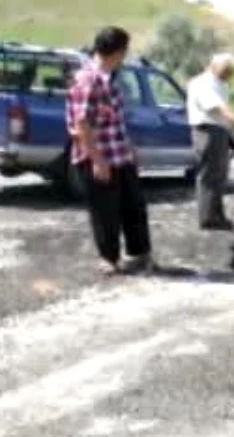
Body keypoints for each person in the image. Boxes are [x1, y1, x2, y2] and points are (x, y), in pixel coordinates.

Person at [66, 26, 154, 277]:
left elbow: (115, 120)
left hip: (119, 153)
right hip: (101, 156)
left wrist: (130, 149)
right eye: (124, 51)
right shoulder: (89, 79)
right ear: (118, 52)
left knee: (134, 205)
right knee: (105, 211)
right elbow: (82, 123)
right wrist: (97, 160)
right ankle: (109, 258)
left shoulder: (109, 78)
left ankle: (139, 254)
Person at [186, 52, 234, 231]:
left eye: (230, 72)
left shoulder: (218, 82)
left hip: (218, 130)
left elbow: (224, 110)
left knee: (219, 175)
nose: (228, 75)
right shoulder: (203, 84)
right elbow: (221, 109)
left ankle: (217, 215)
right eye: (226, 71)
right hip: (207, 131)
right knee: (209, 176)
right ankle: (209, 218)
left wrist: (230, 133)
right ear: (214, 66)